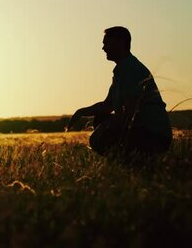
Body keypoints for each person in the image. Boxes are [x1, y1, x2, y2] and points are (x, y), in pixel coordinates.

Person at [66, 27, 172, 156]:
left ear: (120, 42)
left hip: (153, 135)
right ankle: (123, 159)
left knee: (104, 132)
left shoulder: (132, 69)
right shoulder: (121, 70)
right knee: (101, 118)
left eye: (106, 43)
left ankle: (127, 161)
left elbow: (129, 113)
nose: (103, 48)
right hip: (143, 131)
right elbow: (107, 106)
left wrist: (106, 133)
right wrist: (81, 112)